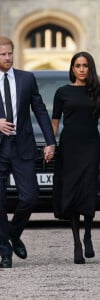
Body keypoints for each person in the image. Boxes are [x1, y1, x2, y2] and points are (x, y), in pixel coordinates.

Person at [0, 36, 56, 268]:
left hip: (22, 146)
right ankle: (5, 254)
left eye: (10, 54)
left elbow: (40, 110)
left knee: (30, 196)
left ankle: (14, 233)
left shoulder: (27, 79)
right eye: (3, 54)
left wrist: (50, 141)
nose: (8, 58)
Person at [52, 51, 100, 264]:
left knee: (88, 188)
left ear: (90, 68)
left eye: (85, 65)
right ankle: (76, 243)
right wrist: (50, 145)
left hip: (91, 145)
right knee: (71, 190)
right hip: (69, 146)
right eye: (77, 65)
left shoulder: (97, 91)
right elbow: (54, 122)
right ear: (72, 68)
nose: (81, 69)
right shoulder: (62, 92)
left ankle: (88, 234)